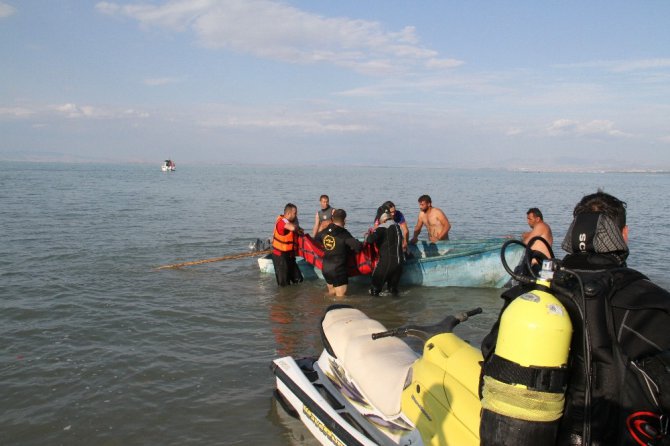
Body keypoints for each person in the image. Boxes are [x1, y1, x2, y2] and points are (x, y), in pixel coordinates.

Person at [314, 209, 362, 297]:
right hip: (338, 270)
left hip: (326, 268)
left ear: (332, 219)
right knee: (341, 298)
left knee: (331, 294)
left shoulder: (324, 232)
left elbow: (316, 240)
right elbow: (358, 247)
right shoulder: (344, 234)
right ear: (344, 220)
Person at [366, 210, 404, 296]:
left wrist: (369, 234)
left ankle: (377, 308)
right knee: (392, 290)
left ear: (382, 220)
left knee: (374, 291)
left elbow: (370, 240)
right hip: (400, 263)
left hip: (387, 263)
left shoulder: (382, 228)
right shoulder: (397, 227)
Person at [271, 203, 304, 287]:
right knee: (284, 285)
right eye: (295, 213)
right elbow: (293, 228)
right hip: (280, 256)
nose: (296, 215)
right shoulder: (282, 222)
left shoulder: (291, 222)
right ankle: (284, 299)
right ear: (288, 214)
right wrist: (297, 224)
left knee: (299, 280)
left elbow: (297, 230)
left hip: (290, 256)